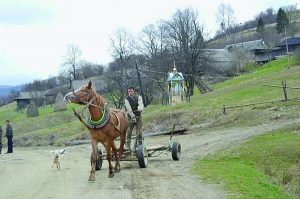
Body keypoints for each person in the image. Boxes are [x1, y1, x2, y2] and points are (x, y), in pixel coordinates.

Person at [124, 86, 144, 151]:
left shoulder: (138, 97)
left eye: (131, 91)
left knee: (139, 132)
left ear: (134, 91)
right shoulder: (126, 99)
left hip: (138, 116)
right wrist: (133, 117)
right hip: (130, 117)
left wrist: (140, 109)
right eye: (129, 91)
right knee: (129, 131)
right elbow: (128, 108)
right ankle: (128, 146)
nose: (130, 92)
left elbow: (140, 104)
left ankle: (140, 145)